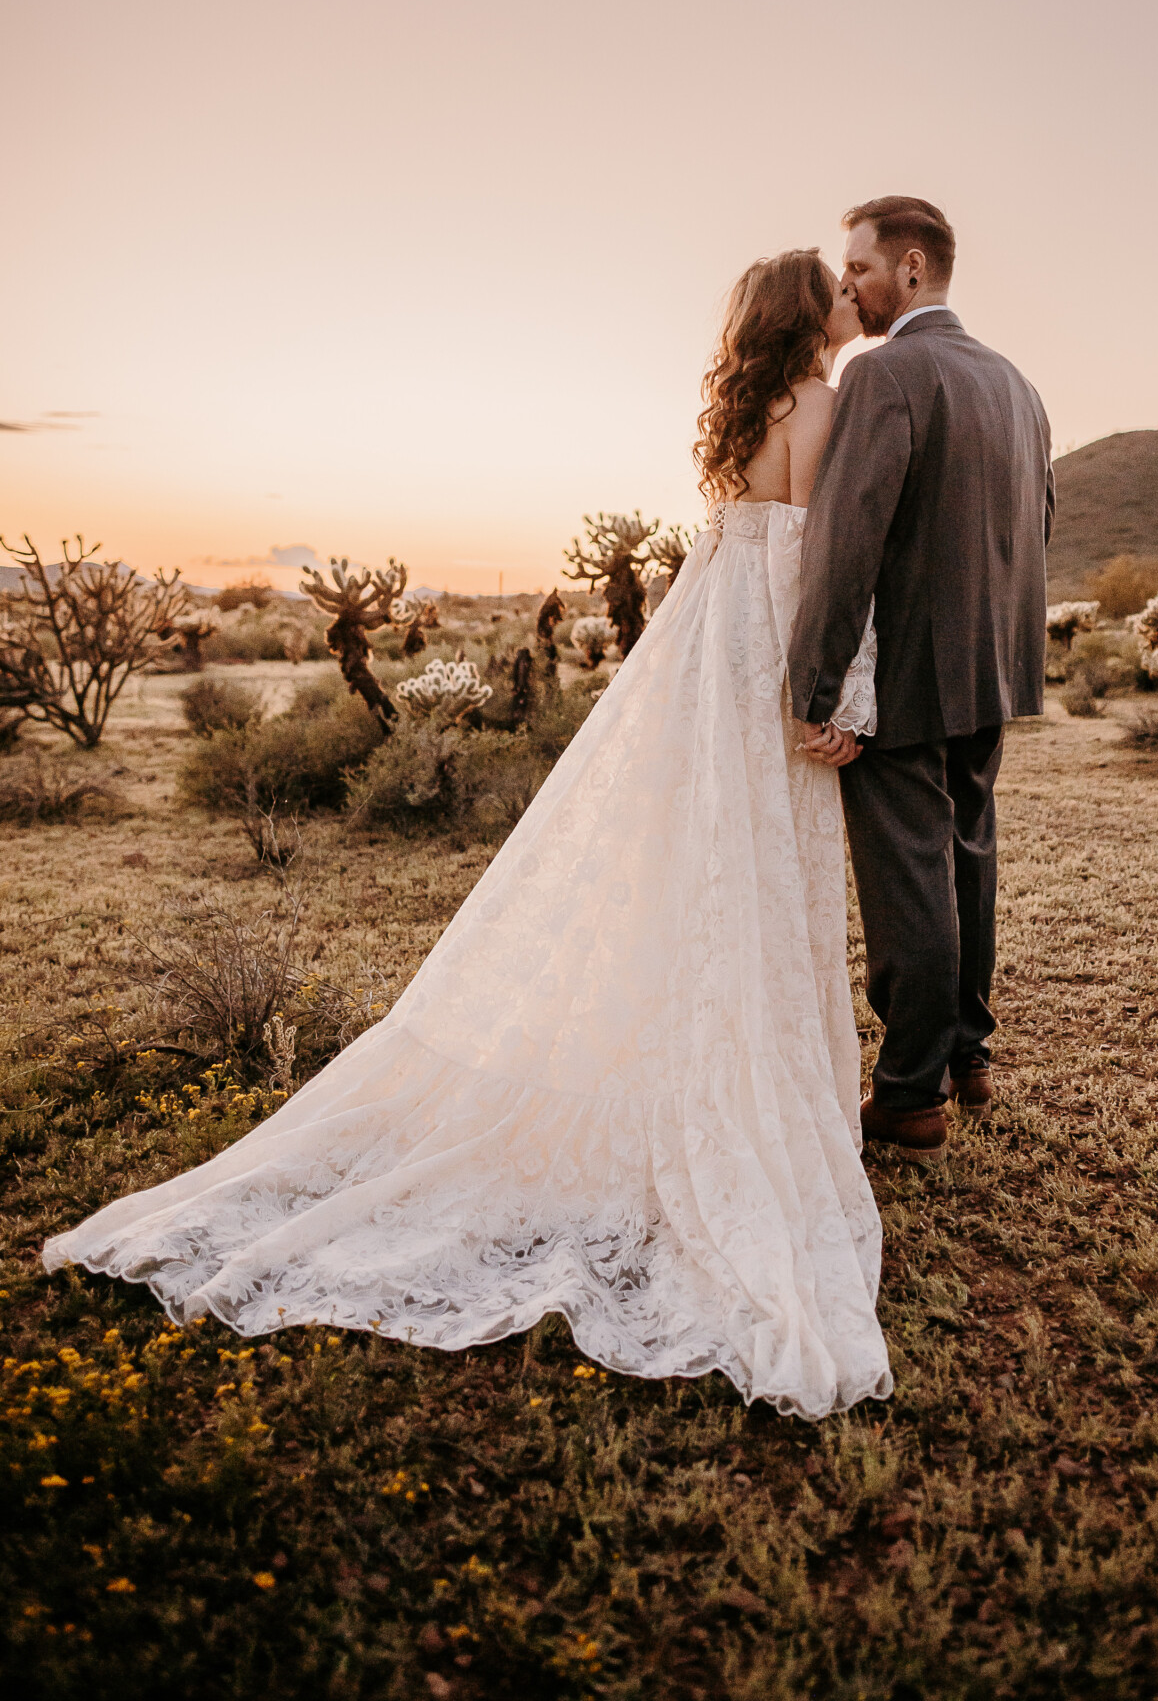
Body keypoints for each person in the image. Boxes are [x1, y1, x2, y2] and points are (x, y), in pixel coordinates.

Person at [45, 250, 893, 1422]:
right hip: (760, 653)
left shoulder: (753, 403)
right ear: (814, 312)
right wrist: (840, 695)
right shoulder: (825, 400)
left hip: (704, 647)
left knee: (702, 861)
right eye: (839, 286)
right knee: (755, 863)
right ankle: (742, 1090)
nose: (856, 296)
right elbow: (809, 563)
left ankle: (699, 1058)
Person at [789, 197, 1054, 1166]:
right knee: (966, 861)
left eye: (857, 265)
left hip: (905, 673)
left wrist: (817, 685)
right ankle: (969, 1055)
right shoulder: (1018, 385)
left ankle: (908, 1093)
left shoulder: (886, 371)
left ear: (909, 266)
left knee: (911, 885)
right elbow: (1039, 527)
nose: (846, 282)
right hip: (994, 667)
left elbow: (846, 536)